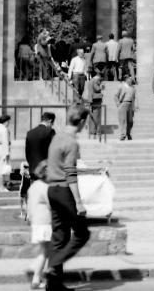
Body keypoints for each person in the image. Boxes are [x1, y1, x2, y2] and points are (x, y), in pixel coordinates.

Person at [45, 106, 90, 291]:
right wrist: (79, 202)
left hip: (51, 190)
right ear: (81, 122)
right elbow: (71, 173)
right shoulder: (71, 142)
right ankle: (53, 265)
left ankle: (54, 285)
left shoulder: (57, 136)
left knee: (60, 236)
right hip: (64, 191)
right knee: (81, 233)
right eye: (84, 123)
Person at [27, 160, 52, 290]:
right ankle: (36, 277)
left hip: (36, 221)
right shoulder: (45, 187)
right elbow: (51, 204)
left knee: (43, 249)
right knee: (45, 252)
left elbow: (29, 204)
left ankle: (38, 272)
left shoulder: (34, 186)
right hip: (44, 221)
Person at [0, 115, 12, 192]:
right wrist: (7, 154)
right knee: (1, 168)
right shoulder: (4, 129)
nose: (9, 123)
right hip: (2, 149)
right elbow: (5, 142)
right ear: (6, 121)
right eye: (9, 121)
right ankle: (1, 187)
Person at [115, 75, 136, 140]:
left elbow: (134, 98)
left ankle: (128, 133)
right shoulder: (121, 87)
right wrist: (118, 103)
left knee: (130, 121)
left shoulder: (133, 88)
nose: (131, 80)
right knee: (123, 120)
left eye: (131, 80)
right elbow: (116, 96)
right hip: (123, 103)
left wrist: (134, 106)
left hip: (130, 104)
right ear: (126, 80)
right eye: (129, 79)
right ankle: (123, 135)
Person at [84, 72, 103, 136]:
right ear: (99, 76)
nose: (100, 80)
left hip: (91, 99)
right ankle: (97, 131)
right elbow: (97, 88)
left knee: (93, 115)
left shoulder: (91, 80)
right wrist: (101, 86)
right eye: (100, 78)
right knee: (97, 116)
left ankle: (92, 130)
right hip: (96, 99)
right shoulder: (95, 80)